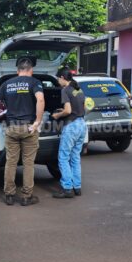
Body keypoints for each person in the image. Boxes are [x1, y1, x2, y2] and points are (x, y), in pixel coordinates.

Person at [0, 57, 45, 206]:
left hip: (11, 127)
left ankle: (9, 195)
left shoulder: (7, 84)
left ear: (17, 70)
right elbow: (40, 100)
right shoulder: (35, 82)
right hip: (29, 128)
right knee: (28, 163)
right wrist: (37, 121)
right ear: (30, 70)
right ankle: (26, 197)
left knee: (11, 162)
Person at [52, 68, 86, 198]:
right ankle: (77, 187)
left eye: (58, 79)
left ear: (62, 77)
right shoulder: (78, 89)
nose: (58, 82)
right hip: (82, 124)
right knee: (75, 157)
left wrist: (57, 115)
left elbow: (67, 110)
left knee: (63, 157)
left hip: (71, 126)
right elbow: (84, 107)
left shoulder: (65, 90)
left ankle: (67, 188)